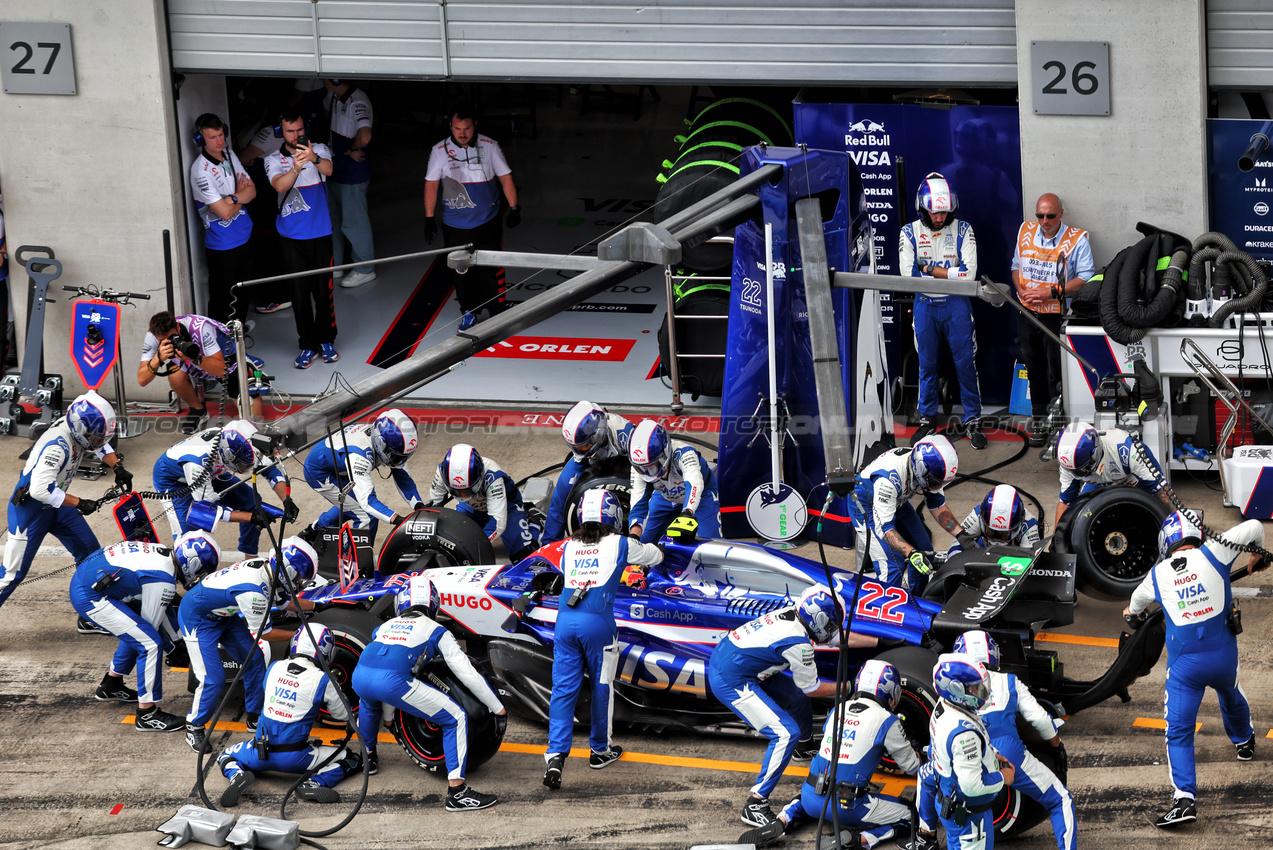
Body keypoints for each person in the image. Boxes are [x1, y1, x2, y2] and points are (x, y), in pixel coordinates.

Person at [1123, 511, 1265, 829]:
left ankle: (1184, 800)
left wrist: (1131, 614)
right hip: (1224, 657)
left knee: (1179, 733)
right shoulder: (1216, 551)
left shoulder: (1157, 575)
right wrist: (1258, 553)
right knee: (1231, 694)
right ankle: (1245, 741)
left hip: (1185, 668)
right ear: (1195, 536)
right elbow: (1255, 526)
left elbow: (1134, 606)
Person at [352, 575, 508, 812]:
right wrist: (497, 706)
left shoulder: (383, 627)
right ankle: (457, 792)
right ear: (433, 603)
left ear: (401, 603)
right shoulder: (436, 630)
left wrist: (389, 717)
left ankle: (369, 758)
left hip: (360, 676)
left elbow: (380, 671)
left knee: (369, 700)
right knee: (455, 718)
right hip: (392, 682)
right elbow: (466, 672)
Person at [542, 491, 663, 790]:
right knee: (601, 685)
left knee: (563, 689)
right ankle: (600, 750)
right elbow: (656, 556)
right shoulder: (621, 544)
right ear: (614, 516)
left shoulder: (567, 546)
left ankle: (555, 756)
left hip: (565, 623)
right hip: (599, 624)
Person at [707, 584, 845, 828]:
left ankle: (802, 748)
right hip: (732, 679)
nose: (833, 630)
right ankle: (755, 803)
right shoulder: (799, 643)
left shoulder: (793, 616)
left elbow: (803, 689)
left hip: (737, 663)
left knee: (794, 696)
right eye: (832, 625)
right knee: (785, 733)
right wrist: (848, 688)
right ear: (819, 620)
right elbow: (812, 689)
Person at [744, 660, 920, 850]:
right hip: (848, 809)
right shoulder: (887, 721)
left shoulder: (838, 709)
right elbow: (912, 768)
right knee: (912, 815)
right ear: (891, 692)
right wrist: (917, 753)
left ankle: (784, 819)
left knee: (810, 791)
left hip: (812, 797)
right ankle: (859, 839)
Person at [70, 532, 220, 734]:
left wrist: (175, 641)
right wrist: (173, 647)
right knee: (150, 644)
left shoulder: (164, 557)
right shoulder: (162, 579)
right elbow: (153, 624)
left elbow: (152, 616)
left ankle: (111, 684)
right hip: (91, 595)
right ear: (192, 565)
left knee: (140, 632)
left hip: (89, 581)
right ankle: (147, 715)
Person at [179, 537, 318, 753]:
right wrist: (300, 636)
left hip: (222, 614)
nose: (301, 583)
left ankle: (254, 715)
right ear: (289, 572)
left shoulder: (269, 571)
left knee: (254, 659)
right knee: (212, 679)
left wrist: (319, 605)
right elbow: (267, 633)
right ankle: (194, 725)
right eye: (300, 578)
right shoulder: (253, 590)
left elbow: (283, 602)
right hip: (198, 619)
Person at [1, 392, 131, 610]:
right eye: (96, 437)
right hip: (31, 510)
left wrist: (117, 467)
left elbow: (99, 443)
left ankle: (93, 612)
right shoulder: (57, 446)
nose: (99, 441)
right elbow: (40, 490)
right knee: (11, 575)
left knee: (91, 556)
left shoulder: (80, 429)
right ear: (81, 429)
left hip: (58, 504)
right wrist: (79, 502)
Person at [217, 624, 363, 806]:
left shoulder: (274, 667)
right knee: (351, 757)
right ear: (326, 650)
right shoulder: (324, 680)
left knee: (225, 756)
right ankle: (314, 783)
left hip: (259, 753)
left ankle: (236, 775)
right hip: (296, 758)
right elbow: (342, 714)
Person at [954, 631, 1075, 850]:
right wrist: (1057, 746)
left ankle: (927, 834)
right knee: (1061, 799)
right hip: (1006, 752)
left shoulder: (949, 688)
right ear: (993, 654)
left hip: (964, 753)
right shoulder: (1009, 682)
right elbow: (1041, 719)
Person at [899, 173, 984, 449]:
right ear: (922, 208)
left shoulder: (963, 229)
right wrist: (949, 273)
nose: (939, 218)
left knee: (965, 364)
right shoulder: (908, 232)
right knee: (927, 365)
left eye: (944, 212)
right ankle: (926, 418)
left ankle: (973, 419)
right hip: (924, 305)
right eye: (934, 213)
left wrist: (930, 270)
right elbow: (907, 276)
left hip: (957, 304)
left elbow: (969, 275)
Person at [423, 105, 521, 326]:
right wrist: (429, 218)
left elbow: (506, 178)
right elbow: (431, 184)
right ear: (450, 126)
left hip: (487, 220)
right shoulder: (439, 150)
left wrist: (514, 207)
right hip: (455, 224)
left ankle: (498, 312)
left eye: (467, 128)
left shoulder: (490, 146)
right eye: (457, 128)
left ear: (475, 125)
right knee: (461, 272)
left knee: (491, 268)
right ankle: (469, 311)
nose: (462, 133)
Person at [1012, 194, 1096, 446]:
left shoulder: (1077, 238)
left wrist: (1050, 292)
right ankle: (1040, 422)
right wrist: (1021, 291)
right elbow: (1015, 265)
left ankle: (1059, 425)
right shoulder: (1025, 230)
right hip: (1027, 311)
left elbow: (1085, 277)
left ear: (1061, 213)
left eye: (1050, 215)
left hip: (1055, 315)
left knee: (1056, 371)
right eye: (1040, 215)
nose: (1044, 221)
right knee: (1033, 368)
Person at [152, 419, 295, 557]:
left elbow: (270, 470)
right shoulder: (198, 462)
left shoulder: (245, 445)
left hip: (211, 473)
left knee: (252, 501)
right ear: (228, 454)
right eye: (243, 465)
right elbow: (207, 510)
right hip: (174, 482)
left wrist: (286, 499)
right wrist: (251, 518)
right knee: (190, 538)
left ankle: (250, 556)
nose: (246, 468)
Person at [264, 112, 339, 369]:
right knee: (299, 295)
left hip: (320, 234)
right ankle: (307, 345)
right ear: (280, 133)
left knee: (323, 292)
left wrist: (313, 157)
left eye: (298, 130)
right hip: (291, 238)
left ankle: (326, 340)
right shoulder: (272, 159)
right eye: (289, 132)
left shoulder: (318, 148)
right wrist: (296, 167)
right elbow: (280, 186)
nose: (295, 136)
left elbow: (329, 169)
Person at [847, 435, 962, 592]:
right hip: (865, 506)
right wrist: (911, 553)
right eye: (935, 482)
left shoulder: (928, 469)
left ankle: (917, 599)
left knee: (925, 553)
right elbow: (885, 529)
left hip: (896, 502)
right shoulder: (888, 479)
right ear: (921, 469)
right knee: (893, 566)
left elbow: (937, 506)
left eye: (942, 483)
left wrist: (963, 536)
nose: (938, 486)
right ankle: (884, 610)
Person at [929, 653, 1013, 850]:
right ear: (957, 690)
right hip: (969, 816)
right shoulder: (964, 734)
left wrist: (991, 755)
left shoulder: (944, 706)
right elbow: (972, 786)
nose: (982, 692)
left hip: (951, 799)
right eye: (976, 688)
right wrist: (1003, 777)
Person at [137, 310, 267, 431]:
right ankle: (198, 410)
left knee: (252, 412)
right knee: (175, 376)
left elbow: (222, 371)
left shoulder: (200, 327)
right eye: (163, 341)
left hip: (222, 355)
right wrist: (158, 358)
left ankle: (246, 363)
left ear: (177, 327)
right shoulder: (151, 336)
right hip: (188, 359)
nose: (169, 342)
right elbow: (142, 380)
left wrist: (195, 358)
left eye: (172, 337)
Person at [303, 408, 424, 537]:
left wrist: (418, 505)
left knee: (351, 503)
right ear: (380, 443)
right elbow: (367, 501)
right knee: (366, 515)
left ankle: (314, 530)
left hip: (336, 461)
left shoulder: (383, 439)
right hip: (319, 472)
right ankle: (358, 557)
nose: (399, 461)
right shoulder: (359, 457)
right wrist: (397, 519)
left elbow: (403, 476)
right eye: (396, 456)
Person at [189, 113, 256, 324]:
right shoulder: (200, 171)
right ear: (200, 140)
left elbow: (252, 191)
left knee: (244, 293)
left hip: (245, 234)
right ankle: (221, 350)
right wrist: (240, 195)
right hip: (222, 244)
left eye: (221, 135)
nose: (219, 141)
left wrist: (232, 197)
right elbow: (224, 213)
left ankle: (240, 336)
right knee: (222, 300)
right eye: (212, 137)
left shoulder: (228, 153)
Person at [425, 443, 540, 562]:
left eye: (467, 490)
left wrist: (474, 545)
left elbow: (498, 522)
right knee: (451, 541)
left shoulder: (493, 475)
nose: (463, 495)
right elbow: (434, 508)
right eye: (458, 492)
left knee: (524, 558)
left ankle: (535, 522)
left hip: (506, 507)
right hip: (470, 507)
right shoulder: (441, 471)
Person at [543, 400, 635, 542]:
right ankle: (548, 544)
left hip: (625, 460)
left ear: (598, 434)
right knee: (562, 493)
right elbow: (581, 452)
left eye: (583, 446)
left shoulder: (626, 436)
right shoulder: (582, 451)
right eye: (575, 447)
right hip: (591, 459)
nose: (579, 450)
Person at [1054, 421, 1167, 529]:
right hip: (1100, 484)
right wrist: (1056, 540)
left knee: (1154, 513)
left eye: (1080, 470)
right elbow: (1065, 502)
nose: (1074, 473)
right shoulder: (1069, 465)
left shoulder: (1128, 451)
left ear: (1095, 453)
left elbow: (1161, 489)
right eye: (1073, 471)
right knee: (1082, 512)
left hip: (1133, 480)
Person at [627, 420, 720, 544]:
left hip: (702, 495)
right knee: (644, 541)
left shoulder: (685, 453)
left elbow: (694, 484)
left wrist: (687, 512)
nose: (648, 470)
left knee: (712, 544)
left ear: (665, 452)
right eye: (643, 467)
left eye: (653, 464)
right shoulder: (638, 466)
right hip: (664, 497)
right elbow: (638, 503)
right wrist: (634, 538)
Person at [323, 79, 376, 289]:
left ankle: (365, 269)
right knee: (333, 219)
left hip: (353, 172)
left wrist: (352, 149)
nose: (320, 80)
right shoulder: (335, 96)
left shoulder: (358, 100)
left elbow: (365, 135)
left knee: (354, 222)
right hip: (337, 167)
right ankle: (335, 264)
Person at [946, 485, 1041, 557]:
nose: (997, 541)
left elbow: (1031, 561)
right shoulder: (977, 516)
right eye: (991, 532)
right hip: (980, 554)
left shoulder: (1029, 525)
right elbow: (956, 547)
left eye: (1003, 535)